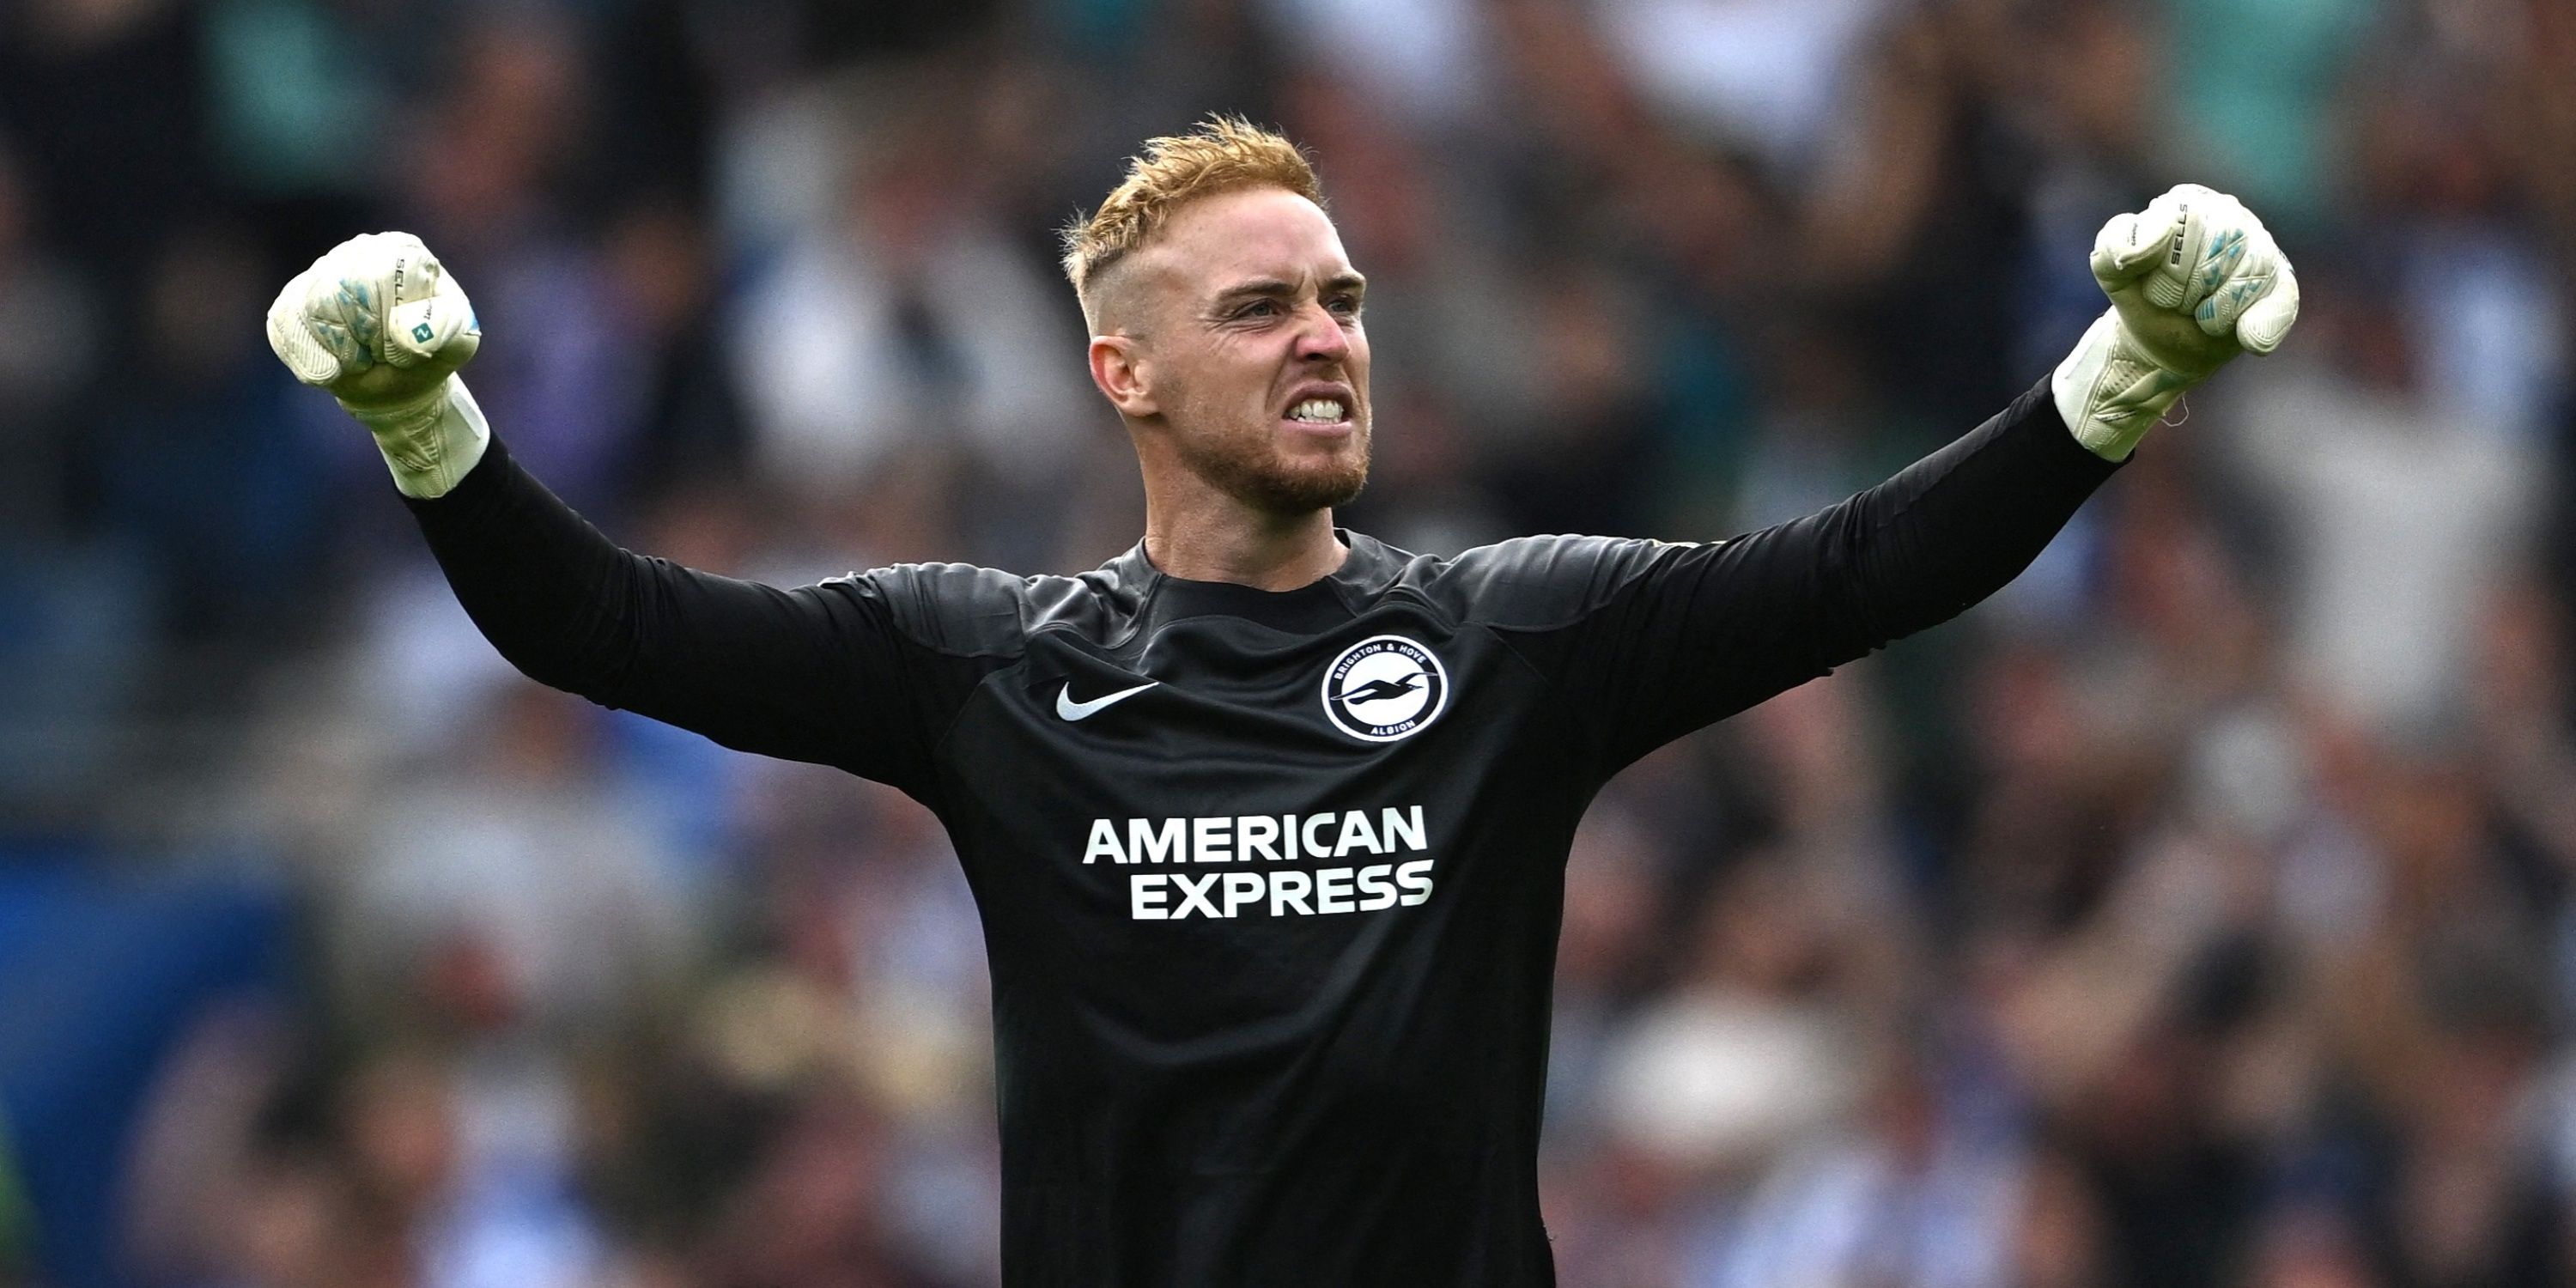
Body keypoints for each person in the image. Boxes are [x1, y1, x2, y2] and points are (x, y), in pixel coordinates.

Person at [265, 118, 2297, 1285]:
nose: (1327, 336)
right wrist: (426, 419)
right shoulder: (987, 663)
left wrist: (2112, 385)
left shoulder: (1511, 643)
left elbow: (1867, 571)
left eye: (1341, 297)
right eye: (1261, 307)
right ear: (1123, 377)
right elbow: (610, 629)